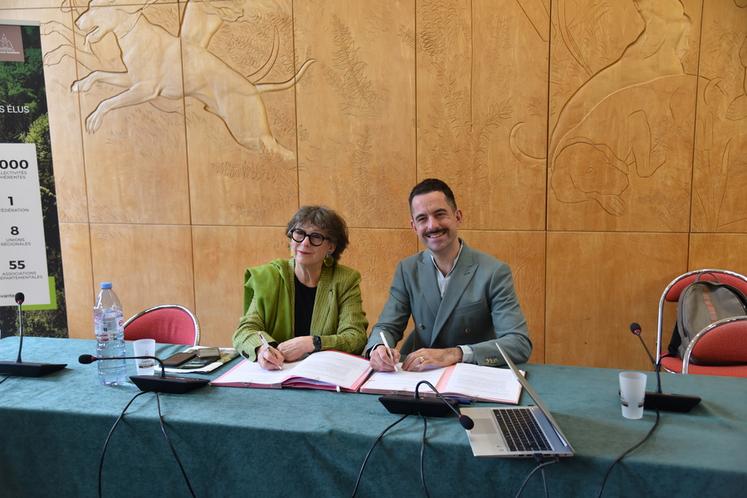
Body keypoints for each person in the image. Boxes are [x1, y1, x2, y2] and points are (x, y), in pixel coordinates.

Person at [366, 178, 532, 371]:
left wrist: (455, 354)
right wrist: (378, 348)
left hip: (471, 377)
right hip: (419, 377)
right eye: (422, 219)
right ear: (414, 227)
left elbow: (519, 343)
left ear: (458, 217)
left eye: (440, 214)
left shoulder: (494, 272)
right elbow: (386, 327)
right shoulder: (407, 270)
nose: (432, 225)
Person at [233, 206, 368, 370]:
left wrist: (313, 343)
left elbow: (356, 338)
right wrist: (262, 349)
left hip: (323, 375)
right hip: (277, 373)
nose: (305, 243)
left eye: (316, 237)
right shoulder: (270, 277)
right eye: (299, 233)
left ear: (331, 247)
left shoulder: (345, 280)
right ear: (291, 238)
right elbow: (245, 331)